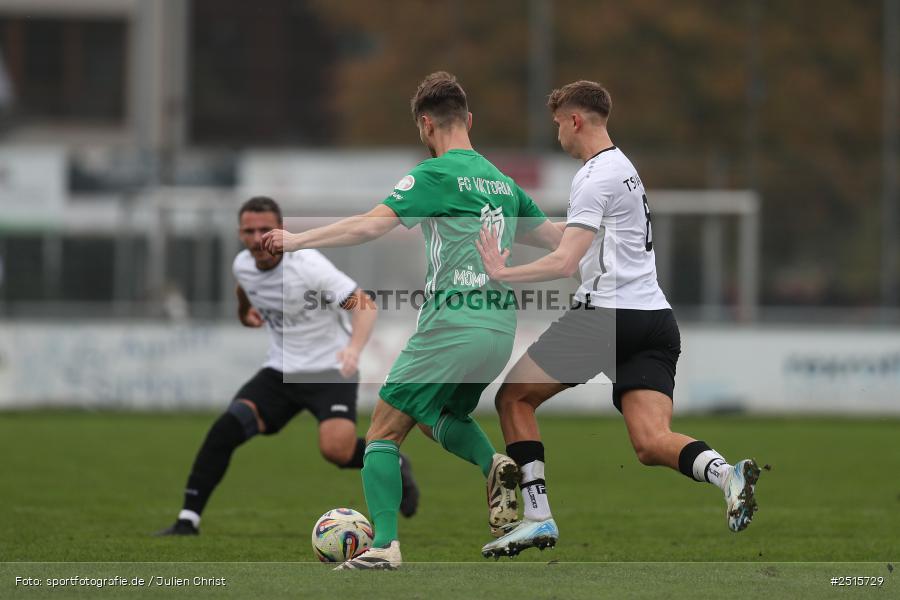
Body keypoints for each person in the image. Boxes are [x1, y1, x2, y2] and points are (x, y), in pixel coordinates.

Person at [261, 72, 562, 569]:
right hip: (498, 329)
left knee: (381, 433)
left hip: (451, 324)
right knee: (432, 417)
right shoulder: (505, 184)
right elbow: (559, 244)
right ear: (470, 120)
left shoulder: (433, 176)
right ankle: (496, 464)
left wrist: (294, 240)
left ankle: (383, 546)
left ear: (426, 125)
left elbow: (366, 227)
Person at [476, 80, 761, 558]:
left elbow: (566, 263)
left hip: (606, 317)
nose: (557, 136)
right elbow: (574, 238)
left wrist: (503, 272)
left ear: (575, 120)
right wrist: (508, 231)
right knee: (651, 443)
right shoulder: (622, 168)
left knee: (513, 398)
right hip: (654, 321)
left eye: (557, 125)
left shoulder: (592, 176)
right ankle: (725, 474)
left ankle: (538, 518)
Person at [157, 196, 419, 536]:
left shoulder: (308, 264)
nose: (257, 237)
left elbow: (364, 305)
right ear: (240, 234)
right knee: (224, 430)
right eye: (249, 231)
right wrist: (244, 312)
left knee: (336, 450)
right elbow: (244, 287)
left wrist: (354, 349)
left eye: (265, 229)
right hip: (280, 371)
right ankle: (187, 520)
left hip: (330, 370)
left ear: (280, 230)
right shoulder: (243, 265)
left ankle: (396, 462)